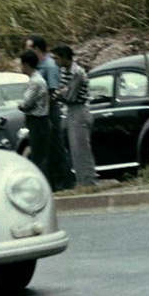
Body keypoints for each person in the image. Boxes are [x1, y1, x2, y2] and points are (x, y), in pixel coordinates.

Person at [25, 35, 75, 191]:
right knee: (47, 149)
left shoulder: (49, 66)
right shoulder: (39, 67)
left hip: (50, 112)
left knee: (57, 146)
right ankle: (53, 182)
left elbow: (53, 91)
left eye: (29, 49)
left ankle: (66, 181)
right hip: (42, 113)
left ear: (37, 49)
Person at [52, 44, 98, 187]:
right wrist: (62, 92)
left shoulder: (78, 72)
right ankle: (81, 180)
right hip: (71, 112)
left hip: (79, 111)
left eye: (57, 58)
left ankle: (88, 181)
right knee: (75, 150)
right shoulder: (65, 72)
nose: (55, 62)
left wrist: (61, 93)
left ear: (65, 57)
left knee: (82, 150)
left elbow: (70, 96)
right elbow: (60, 92)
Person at [18, 50, 52, 182]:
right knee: (40, 155)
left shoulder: (35, 82)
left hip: (37, 121)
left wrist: (19, 105)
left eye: (21, 64)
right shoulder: (37, 80)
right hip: (40, 122)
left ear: (26, 65)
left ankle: (43, 184)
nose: (20, 68)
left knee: (39, 156)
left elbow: (25, 103)